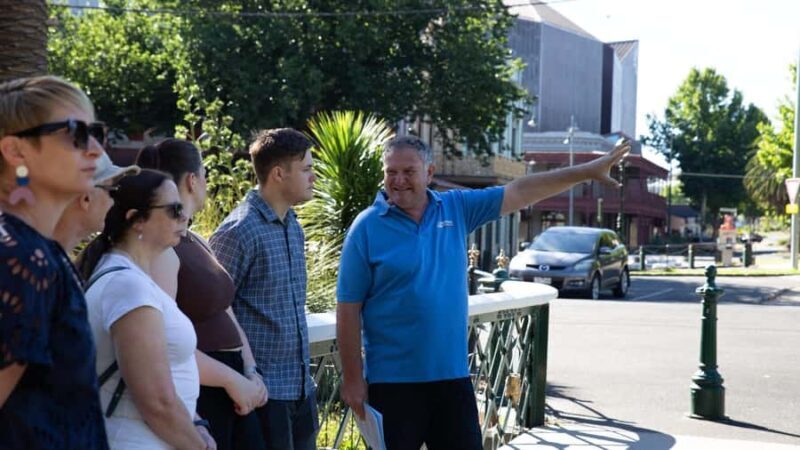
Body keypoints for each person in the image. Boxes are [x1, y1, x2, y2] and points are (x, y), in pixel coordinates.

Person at [336, 135, 630, 449]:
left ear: (430, 173)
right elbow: (348, 307)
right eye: (391, 172)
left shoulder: (455, 209)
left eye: (408, 171)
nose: (398, 180)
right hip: (392, 383)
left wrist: (585, 171)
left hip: (452, 379)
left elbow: (520, 190)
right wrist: (353, 378)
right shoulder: (366, 227)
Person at [136, 138, 268, 450]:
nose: (207, 183)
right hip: (203, 392)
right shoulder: (162, 251)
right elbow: (165, 343)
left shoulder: (195, 239)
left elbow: (227, 311)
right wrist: (231, 380)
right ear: (193, 180)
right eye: (205, 174)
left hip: (236, 387)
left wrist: (250, 371)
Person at [0, 75, 109, 449]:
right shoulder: (20, 257)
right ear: (16, 151)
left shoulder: (34, 250)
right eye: (75, 133)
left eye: (96, 132)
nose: (94, 148)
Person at [77, 169, 214, 449]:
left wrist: (195, 424)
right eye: (173, 209)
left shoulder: (129, 278)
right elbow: (157, 403)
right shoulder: (128, 286)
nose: (184, 216)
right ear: (136, 220)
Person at [210, 128, 318, 450]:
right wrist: (244, 377)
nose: (314, 176)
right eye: (307, 169)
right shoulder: (238, 230)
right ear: (279, 174)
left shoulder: (293, 224)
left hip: (302, 391)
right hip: (263, 395)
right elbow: (213, 310)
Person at [54, 151, 140, 254]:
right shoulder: (43, 262)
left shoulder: (47, 256)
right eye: (112, 191)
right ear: (86, 198)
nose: (112, 202)